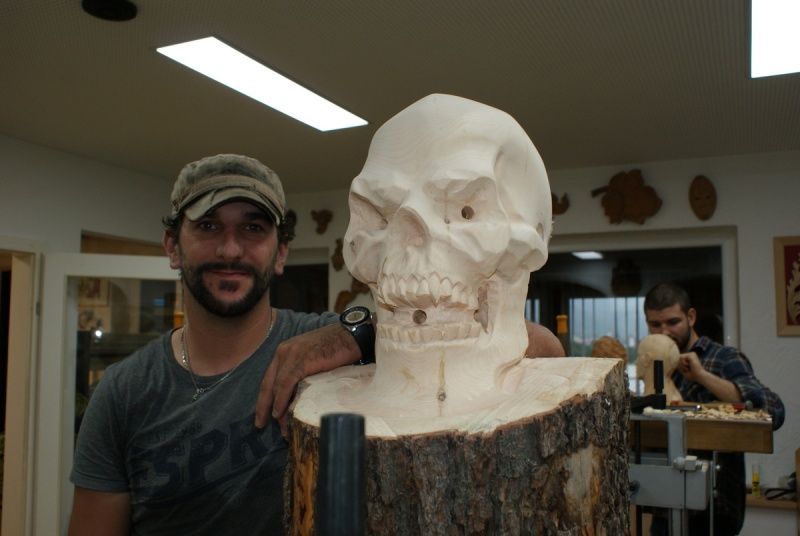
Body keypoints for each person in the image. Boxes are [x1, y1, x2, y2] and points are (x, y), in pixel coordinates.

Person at [68, 153, 564, 535]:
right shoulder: (124, 392)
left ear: (281, 251)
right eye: (208, 226)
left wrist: (359, 332)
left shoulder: (330, 348)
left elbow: (543, 348)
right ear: (172, 246)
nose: (231, 249)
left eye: (253, 229)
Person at [643, 282, 785, 536]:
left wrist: (702, 376)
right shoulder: (656, 365)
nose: (665, 332)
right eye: (655, 325)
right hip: (665, 508)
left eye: (673, 322)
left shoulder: (724, 358)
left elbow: (773, 411)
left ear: (691, 317)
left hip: (714, 511)